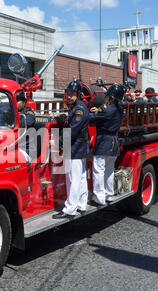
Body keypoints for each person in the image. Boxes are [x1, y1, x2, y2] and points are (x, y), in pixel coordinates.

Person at [52, 80, 91, 219]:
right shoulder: (76, 107)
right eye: (68, 94)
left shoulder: (79, 109)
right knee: (80, 178)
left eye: (72, 94)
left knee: (72, 179)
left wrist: (58, 141)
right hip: (79, 146)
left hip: (75, 146)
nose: (69, 97)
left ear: (78, 95)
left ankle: (70, 209)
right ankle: (81, 204)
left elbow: (73, 130)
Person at [89, 83, 125, 206]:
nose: (105, 98)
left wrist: (92, 113)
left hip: (104, 140)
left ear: (111, 98)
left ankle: (99, 197)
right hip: (114, 141)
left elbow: (91, 119)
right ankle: (108, 194)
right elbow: (103, 112)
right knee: (109, 170)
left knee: (98, 170)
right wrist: (98, 110)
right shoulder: (119, 109)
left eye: (107, 96)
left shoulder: (107, 109)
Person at [16, 90, 36, 162]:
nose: (15, 102)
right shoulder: (10, 112)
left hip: (26, 149)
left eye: (18, 100)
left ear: (24, 102)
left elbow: (26, 124)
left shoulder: (28, 112)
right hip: (12, 147)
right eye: (14, 100)